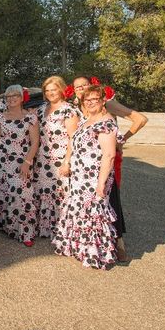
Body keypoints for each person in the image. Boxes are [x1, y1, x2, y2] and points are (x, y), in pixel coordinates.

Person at [72, 76, 147, 261]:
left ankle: (118, 243)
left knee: (109, 197)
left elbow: (140, 119)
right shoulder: (79, 105)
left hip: (105, 157)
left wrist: (122, 139)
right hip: (85, 164)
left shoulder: (108, 105)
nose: (81, 89)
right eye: (77, 87)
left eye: (84, 85)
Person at [52, 85, 120, 269]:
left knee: (93, 214)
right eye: (86, 100)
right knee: (79, 210)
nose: (90, 103)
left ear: (103, 100)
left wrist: (101, 184)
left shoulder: (106, 123)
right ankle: (80, 248)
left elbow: (109, 155)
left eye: (95, 99)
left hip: (94, 177)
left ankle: (94, 254)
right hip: (80, 177)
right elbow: (74, 143)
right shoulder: (87, 120)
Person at [32, 76, 79, 238]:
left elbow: (73, 137)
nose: (51, 93)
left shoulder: (69, 110)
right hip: (42, 159)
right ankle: (45, 227)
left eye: (54, 89)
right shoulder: (41, 108)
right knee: (43, 192)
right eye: (47, 90)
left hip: (60, 159)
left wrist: (67, 162)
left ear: (61, 89)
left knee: (60, 194)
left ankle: (61, 229)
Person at [0, 84, 40, 246]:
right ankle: (8, 227)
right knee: (4, 192)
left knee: (22, 195)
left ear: (22, 98)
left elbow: (35, 142)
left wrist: (27, 162)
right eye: (8, 96)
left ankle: (26, 233)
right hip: (2, 161)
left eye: (15, 96)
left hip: (21, 161)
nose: (11, 99)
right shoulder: (0, 116)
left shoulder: (31, 117)